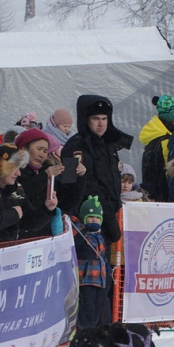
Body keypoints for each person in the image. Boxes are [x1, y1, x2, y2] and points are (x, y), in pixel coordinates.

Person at [62, 94, 132, 244]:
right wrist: (108, 218)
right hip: (86, 220)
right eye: (95, 119)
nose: (101, 124)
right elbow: (69, 185)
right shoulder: (74, 146)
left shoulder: (108, 145)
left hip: (106, 216)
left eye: (104, 119)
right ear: (86, 120)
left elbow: (110, 181)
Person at [13, 128, 64, 239]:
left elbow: (68, 201)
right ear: (24, 148)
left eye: (45, 151)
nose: (42, 155)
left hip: (43, 234)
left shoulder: (46, 171)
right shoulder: (13, 171)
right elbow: (22, 193)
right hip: (19, 236)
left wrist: (78, 176)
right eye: (39, 149)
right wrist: (44, 177)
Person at [139, 94, 174, 201]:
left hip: (155, 197)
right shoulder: (167, 142)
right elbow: (171, 174)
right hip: (166, 199)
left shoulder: (154, 138)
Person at [73, 196, 109, 329]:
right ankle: (85, 331)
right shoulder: (82, 234)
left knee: (96, 310)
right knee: (86, 309)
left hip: (99, 280)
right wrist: (81, 230)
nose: (94, 220)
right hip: (86, 279)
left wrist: (107, 270)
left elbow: (103, 256)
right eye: (90, 217)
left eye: (97, 218)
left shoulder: (99, 236)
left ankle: (93, 330)